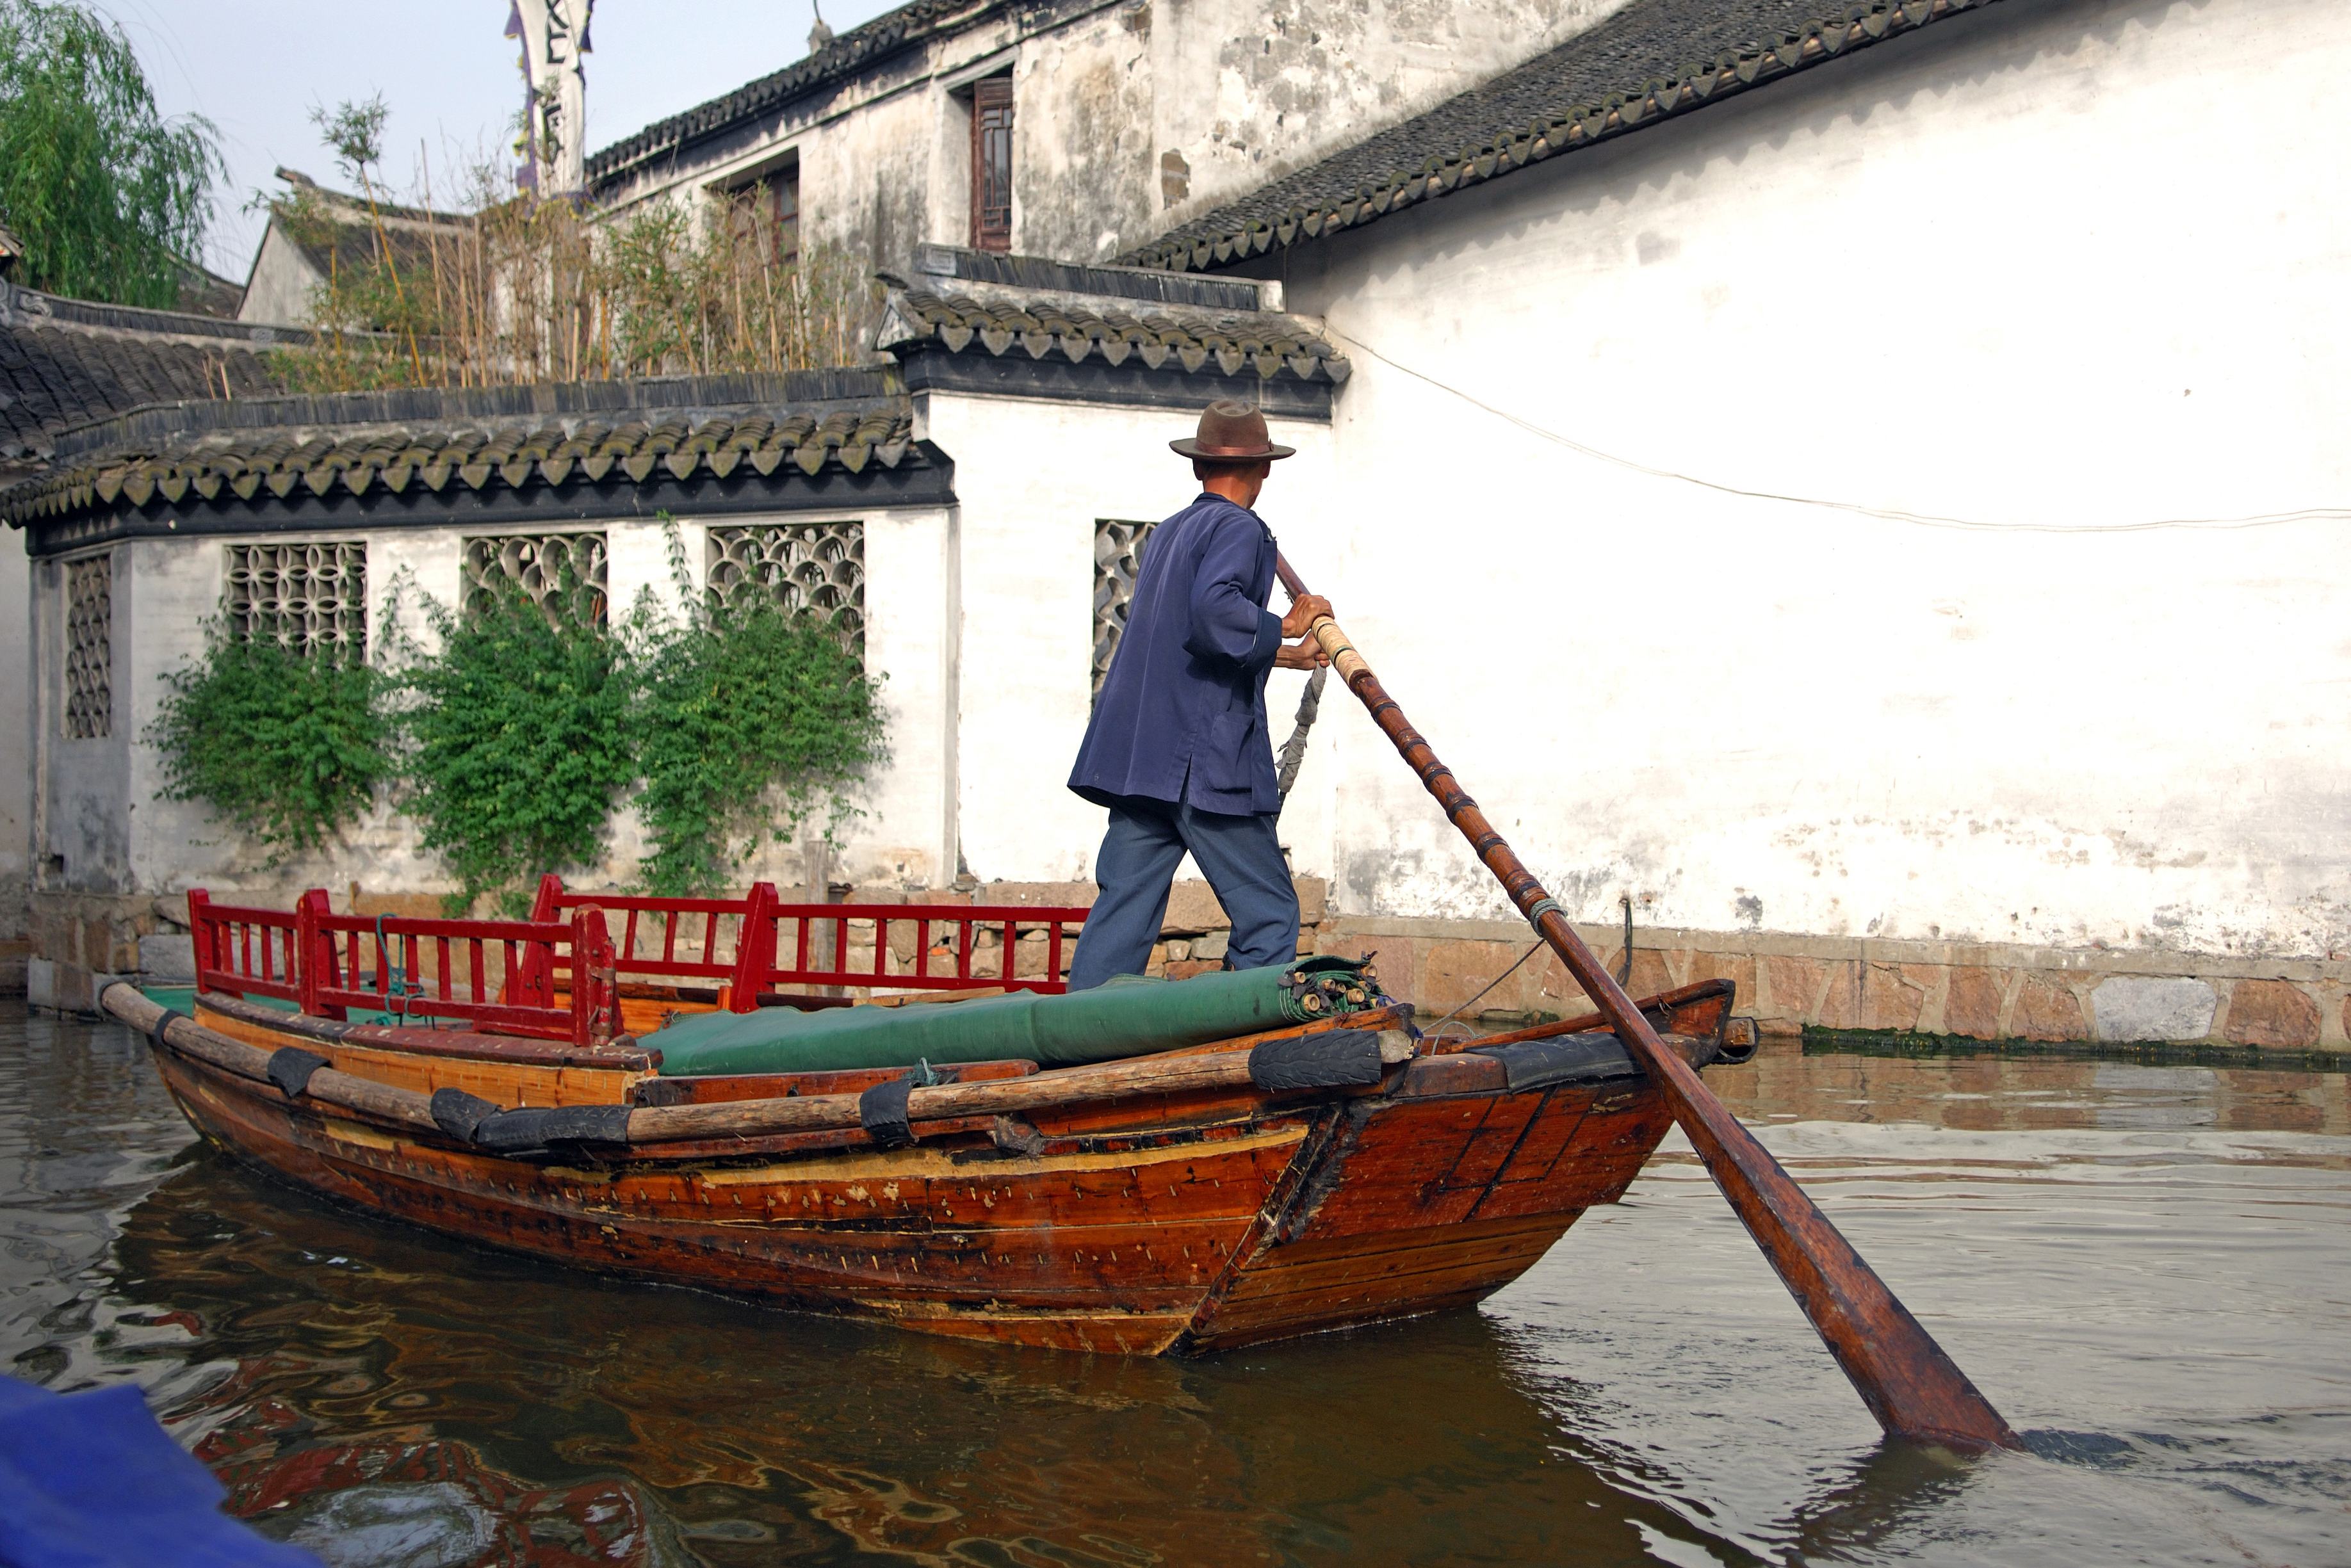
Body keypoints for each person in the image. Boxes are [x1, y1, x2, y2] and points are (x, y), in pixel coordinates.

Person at [1064, 400, 1333, 990]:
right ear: (1264, 472)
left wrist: (1288, 656)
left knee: (1123, 910)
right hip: (1201, 764)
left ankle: (1077, 1040)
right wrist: (1288, 623)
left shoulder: (1169, 533)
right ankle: (1235, 1039)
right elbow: (1214, 617)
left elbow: (1187, 641)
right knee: (1269, 912)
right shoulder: (1240, 528)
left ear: (1197, 469)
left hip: (1142, 760)